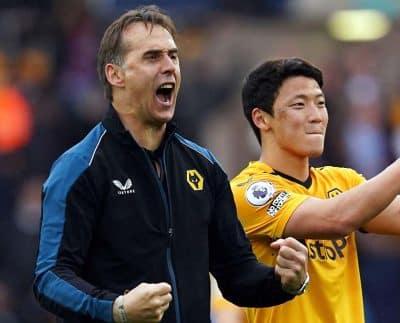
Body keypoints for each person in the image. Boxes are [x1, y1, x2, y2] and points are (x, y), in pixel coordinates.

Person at [32, 7, 309, 323]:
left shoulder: (204, 167)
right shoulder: (80, 168)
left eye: (173, 57)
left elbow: (236, 274)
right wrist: (115, 309)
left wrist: (284, 281)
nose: (170, 67)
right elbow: (50, 278)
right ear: (115, 74)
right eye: (152, 57)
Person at [231, 57, 400, 323]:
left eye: (320, 104)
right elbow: (335, 220)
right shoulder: (250, 191)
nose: (316, 116)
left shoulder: (342, 181)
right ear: (262, 119)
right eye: (299, 105)